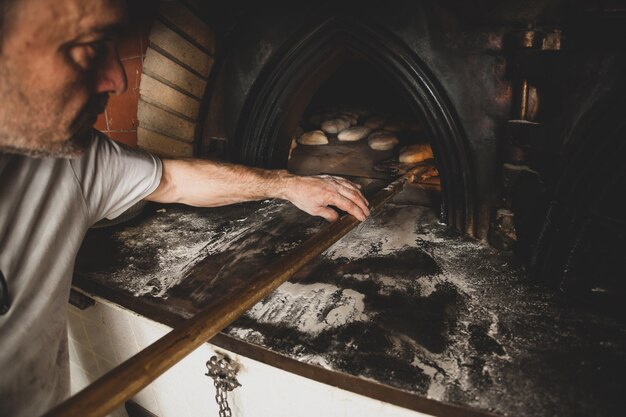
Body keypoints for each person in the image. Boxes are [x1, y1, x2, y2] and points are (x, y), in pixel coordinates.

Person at [0, 0, 370, 415]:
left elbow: (174, 179)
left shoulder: (68, 160)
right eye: (88, 46)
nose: (118, 79)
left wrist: (287, 185)